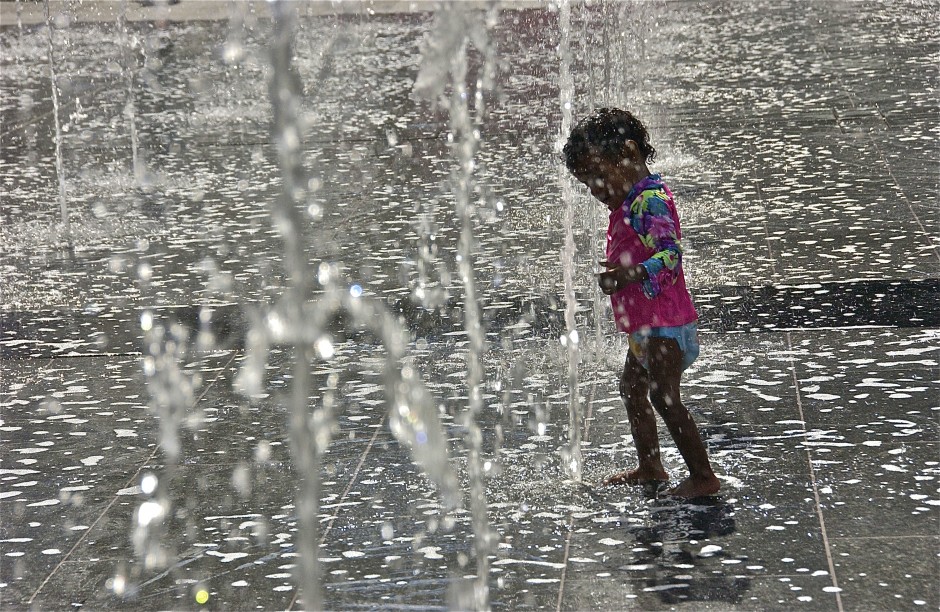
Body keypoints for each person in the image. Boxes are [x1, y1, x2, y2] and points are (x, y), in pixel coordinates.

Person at [563, 108, 720, 497]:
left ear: (629, 153)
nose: (595, 189)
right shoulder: (632, 201)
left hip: (666, 322)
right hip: (648, 324)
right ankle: (651, 467)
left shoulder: (650, 201)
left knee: (665, 398)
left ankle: (703, 477)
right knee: (632, 389)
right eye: (586, 183)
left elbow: (671, 256)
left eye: (597, 176)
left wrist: (628, 275)